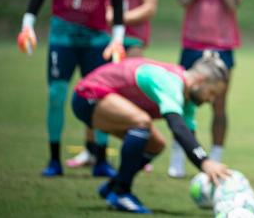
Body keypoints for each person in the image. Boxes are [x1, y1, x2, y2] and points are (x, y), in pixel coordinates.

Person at [17, 0, 126, 178]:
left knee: (100, 100)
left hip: (97, 42)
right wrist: (27, 24)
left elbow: (119, 5)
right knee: (56, 96)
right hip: (62, 39)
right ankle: (54, 160)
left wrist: (118, 40)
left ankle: (101, 159)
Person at [71, 53, 231, 213]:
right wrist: (205, 162)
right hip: (87, 96)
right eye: (212, 93)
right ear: (201, 80)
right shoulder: (170, 81)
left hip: (102, 102)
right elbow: (177, 126)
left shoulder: (188, 100)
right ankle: (121, 193)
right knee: (142, 122)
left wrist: (205, 163)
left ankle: (113, 186)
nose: (211, 99)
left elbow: (187, 137)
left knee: (155, 145)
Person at [168, 0, 248, 178]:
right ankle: (181, 156)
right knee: (183, 102)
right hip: (192, 45)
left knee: (219, 105)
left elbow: (234, 1)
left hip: (222, 47)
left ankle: (216, 157)